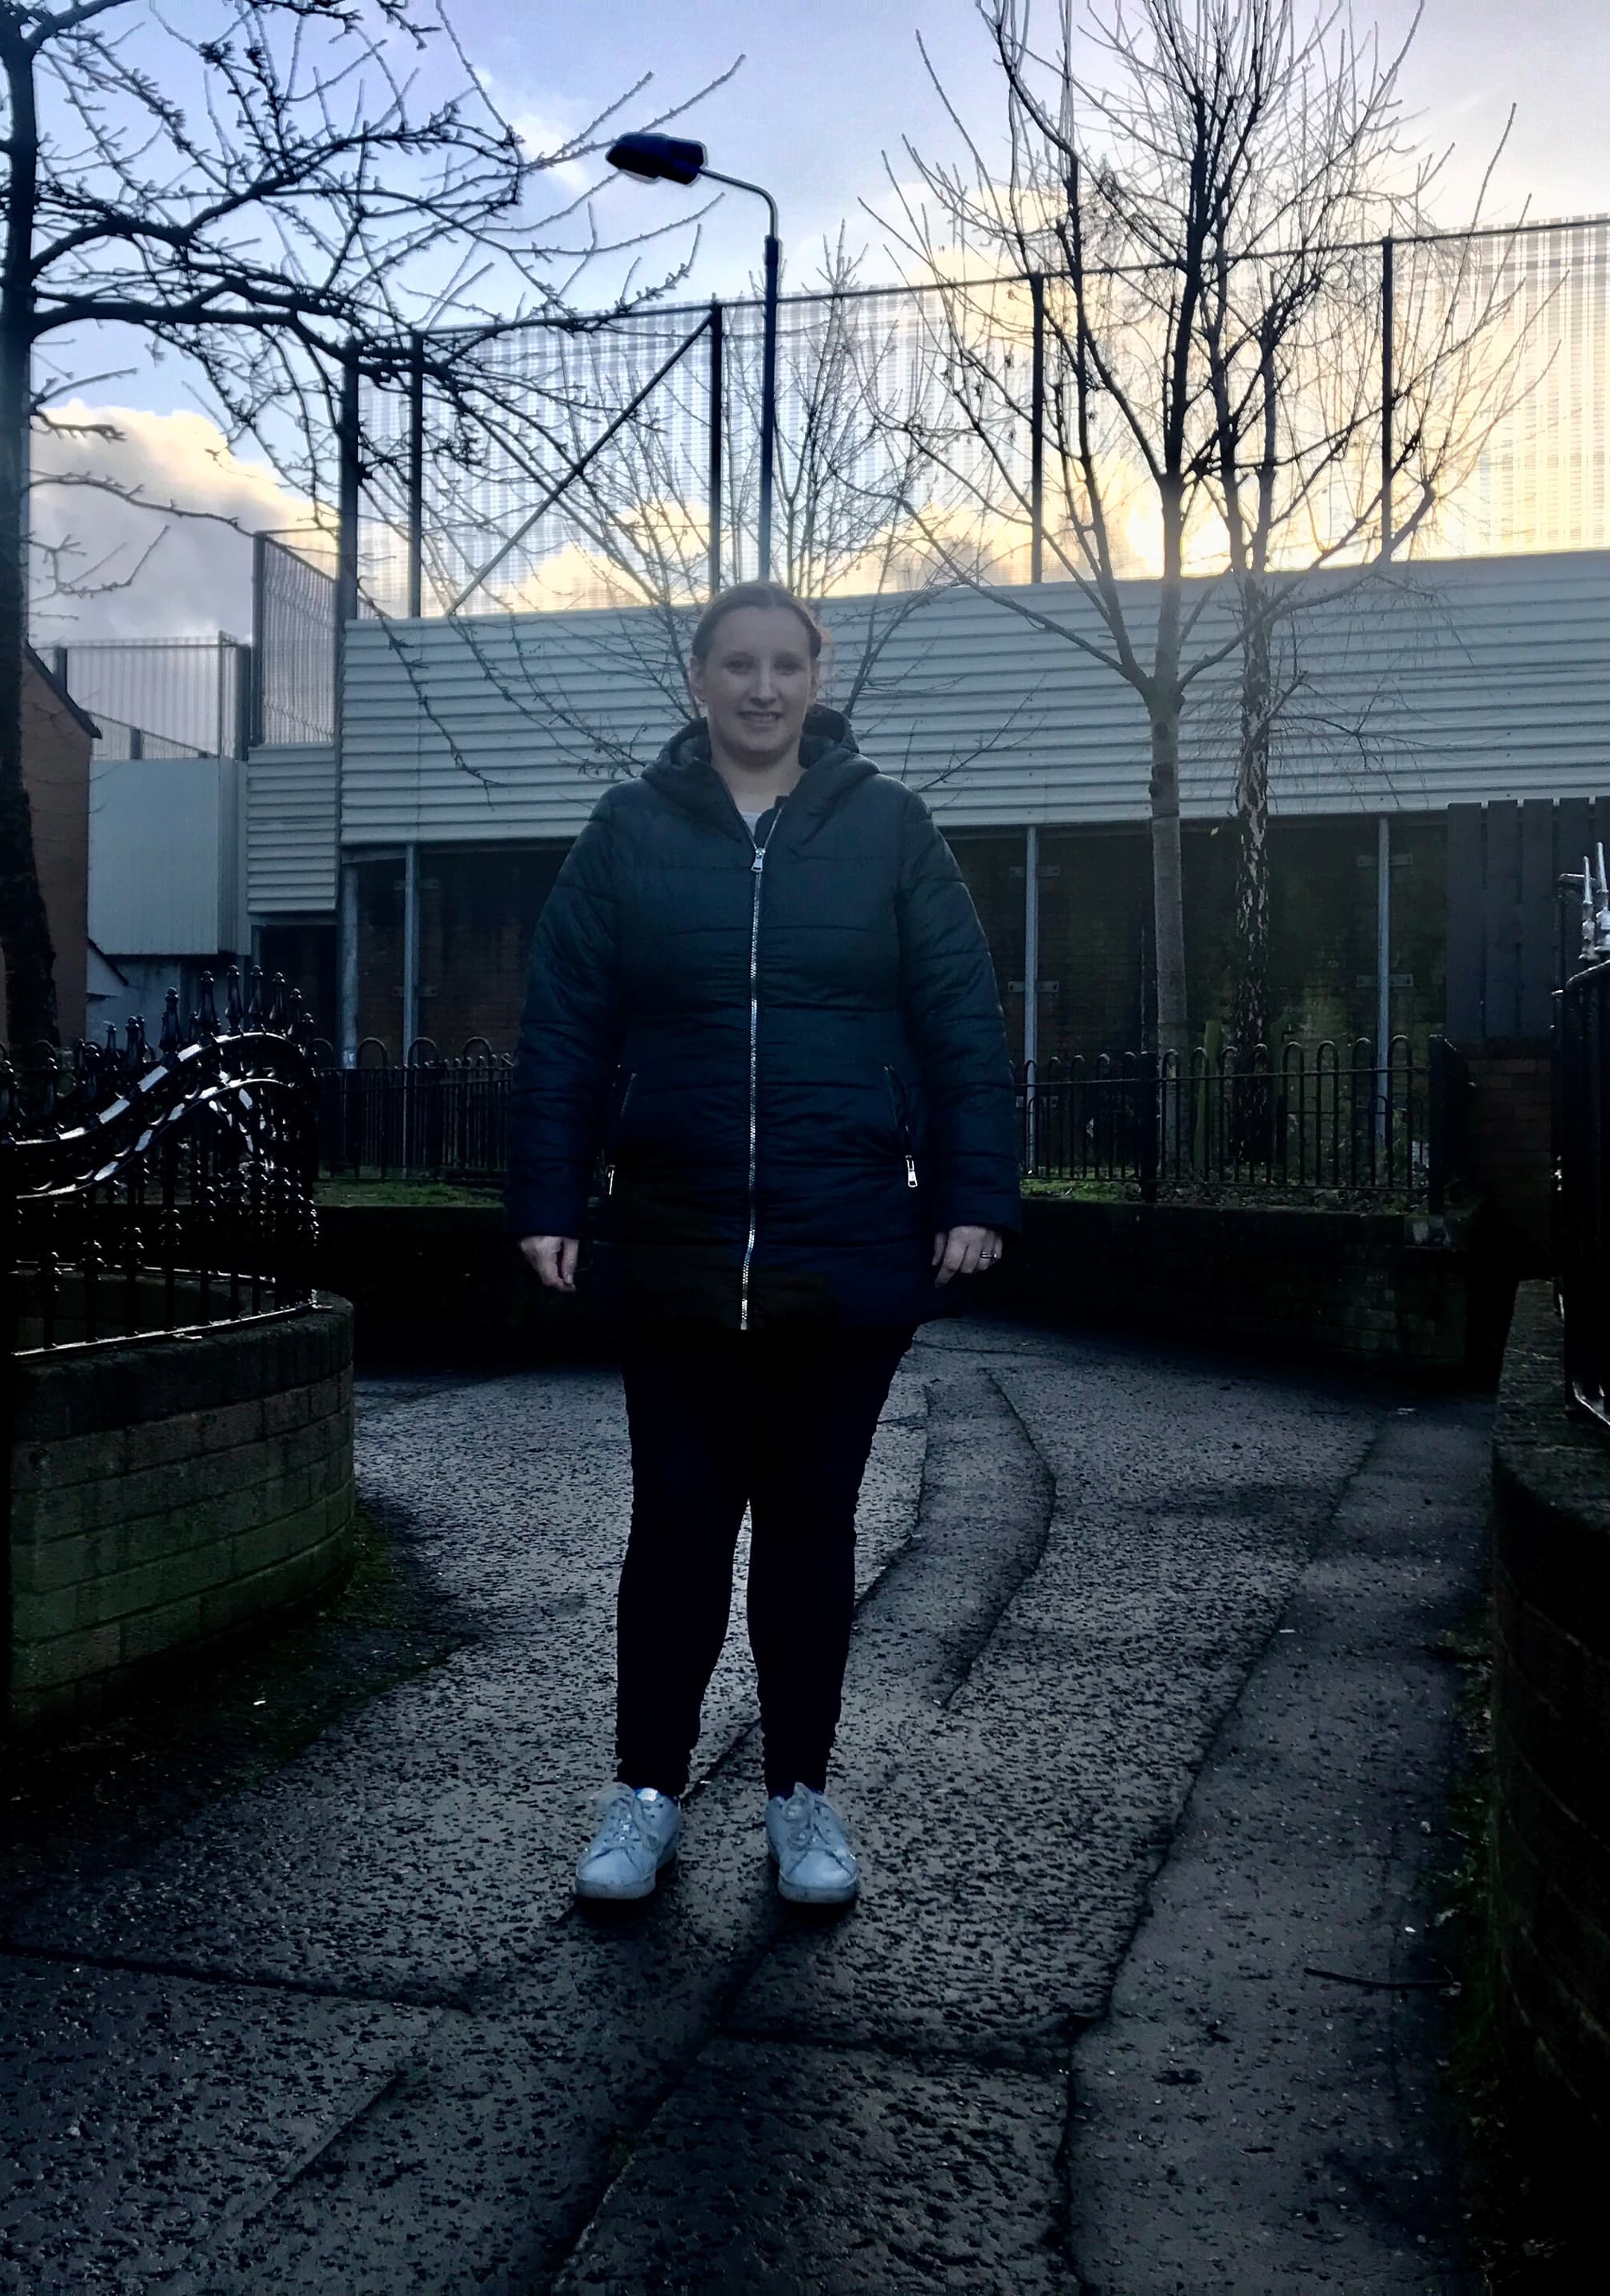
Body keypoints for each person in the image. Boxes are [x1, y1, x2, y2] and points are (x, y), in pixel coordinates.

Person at [506, 580, 1021, 1908]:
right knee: (676, 1524)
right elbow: (565, 1025)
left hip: (844, 1245)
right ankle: (647, 1795)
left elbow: (962, 1018)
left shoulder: (891, 830)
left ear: (815, 677)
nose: (761, 687)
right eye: (737, 664)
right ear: (698, 679)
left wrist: (977, 1193)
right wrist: (548, 1199)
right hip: (674, 1243)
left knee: (808, 1528)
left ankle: (803, 1797)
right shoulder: (625, 834)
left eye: (785, 664)